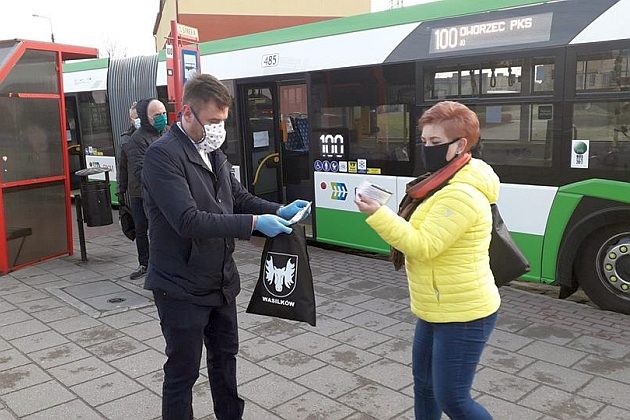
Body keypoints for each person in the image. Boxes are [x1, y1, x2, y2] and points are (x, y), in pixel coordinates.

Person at [142, 73, 309, 420]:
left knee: (225, 361)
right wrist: (253, 225)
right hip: (180, 285)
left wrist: (277, 209)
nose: (220, 129)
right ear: (187, 113)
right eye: (214, 121)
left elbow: (238, 197)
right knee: (183, 373)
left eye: (223, 122)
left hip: (220, 281)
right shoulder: (162, 156)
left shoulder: (212, 151)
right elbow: (188, 220)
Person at [355, 101, 501, 420]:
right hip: (435, 307)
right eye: (424, 141)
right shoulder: (440, 181)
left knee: (454, 400)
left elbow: (423, 245)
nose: (427, 148)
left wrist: (378, 214)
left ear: (460, 145)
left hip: (464, 312)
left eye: (435, 143)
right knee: (424, 386)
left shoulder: (460, 193)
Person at [125, 98, 168, 280]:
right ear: (146, 117)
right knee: (145, 230)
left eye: (164, 113)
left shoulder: (169, 132)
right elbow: (140, 170)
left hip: (166, 193)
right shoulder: (136, 140)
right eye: (157, 115)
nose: (162, 118)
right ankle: (148, 265)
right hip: (144, 195)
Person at [117, 102, 139, 207]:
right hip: (137, 193)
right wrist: (121, 190)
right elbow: (122, 167)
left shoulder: (162, 133)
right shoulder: (126, 140)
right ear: (131, 120)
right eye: (136, 118)